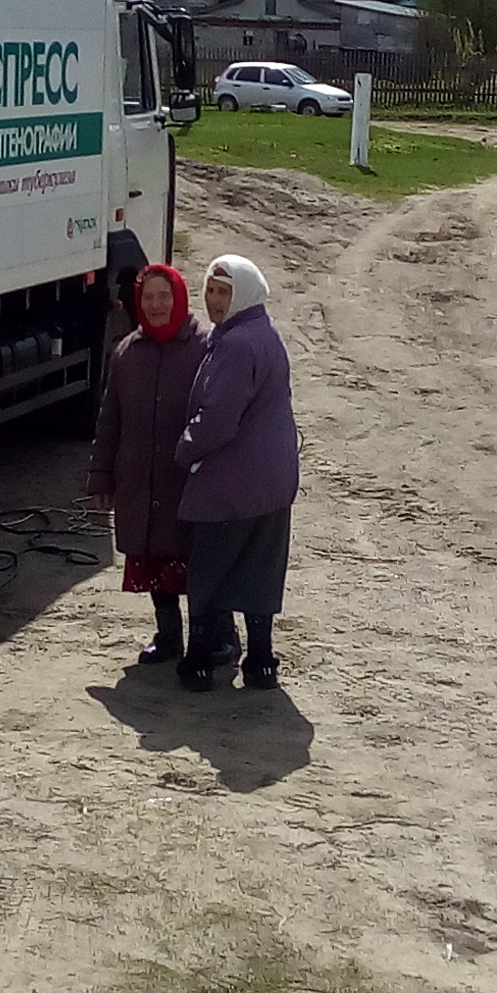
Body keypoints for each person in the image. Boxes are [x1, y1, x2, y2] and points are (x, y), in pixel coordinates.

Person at [171, 254, 298, 692]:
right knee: (260, 572)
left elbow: (218, 419)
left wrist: (185, 450)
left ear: (243, 294)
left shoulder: (235, 344)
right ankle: (262, 661)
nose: (214, 301)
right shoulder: (265, 334)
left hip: (231, 487)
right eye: (210, 290)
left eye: (224, 292)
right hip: (274, 485)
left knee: (209, 573)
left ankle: (200, 660)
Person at [85, 262, 210, 664]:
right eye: (148, 297)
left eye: (164, 296)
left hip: (188, 483)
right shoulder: (127, 352)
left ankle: (215, 639)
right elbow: (110, 421)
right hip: (141, 480)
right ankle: (168, 636)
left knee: (200, 563)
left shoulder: (205, 348)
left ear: (179, 298)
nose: (156, 305)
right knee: (155, 559)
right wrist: (101, 477)